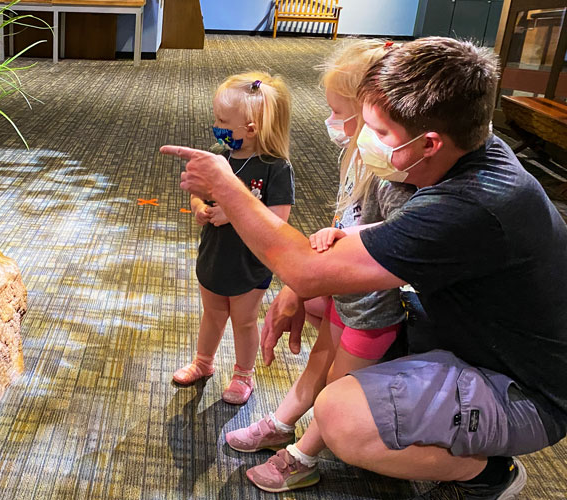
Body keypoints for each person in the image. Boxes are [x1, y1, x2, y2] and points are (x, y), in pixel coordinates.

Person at [161, 37, 567, 499]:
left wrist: (225, 187)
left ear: (430, 142)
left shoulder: (468, 205)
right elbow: (335, 257)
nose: (364, 141)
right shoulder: (471, 151)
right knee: (321, 301)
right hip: (469, 338)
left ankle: (486, 473)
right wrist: (299, 287)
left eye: (378, 130)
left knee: (339, 416)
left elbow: (309, 269)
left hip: (525, 393)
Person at [222, 40, 416, 493]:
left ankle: (302, 456)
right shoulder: (355, 154)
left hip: (372, 310)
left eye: (338, 111)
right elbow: (343, 215)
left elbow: (394, 238)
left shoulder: (391, 174)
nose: (331, 121)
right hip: (342, 293)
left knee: (336, 384)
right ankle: (282, 422)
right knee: (317, 363)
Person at [171, 72, 294, 406]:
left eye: (223, 120)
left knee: (243, 321)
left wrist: (237, 211)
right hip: (214, 256)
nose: (217, 126)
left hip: (249, 265)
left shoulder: (275, 167)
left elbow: (278, 221)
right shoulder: (218, 156)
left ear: (251, 128)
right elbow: (198, 193)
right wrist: (198, 207)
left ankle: (243, 374)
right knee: (211, 315)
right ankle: (203, 362)